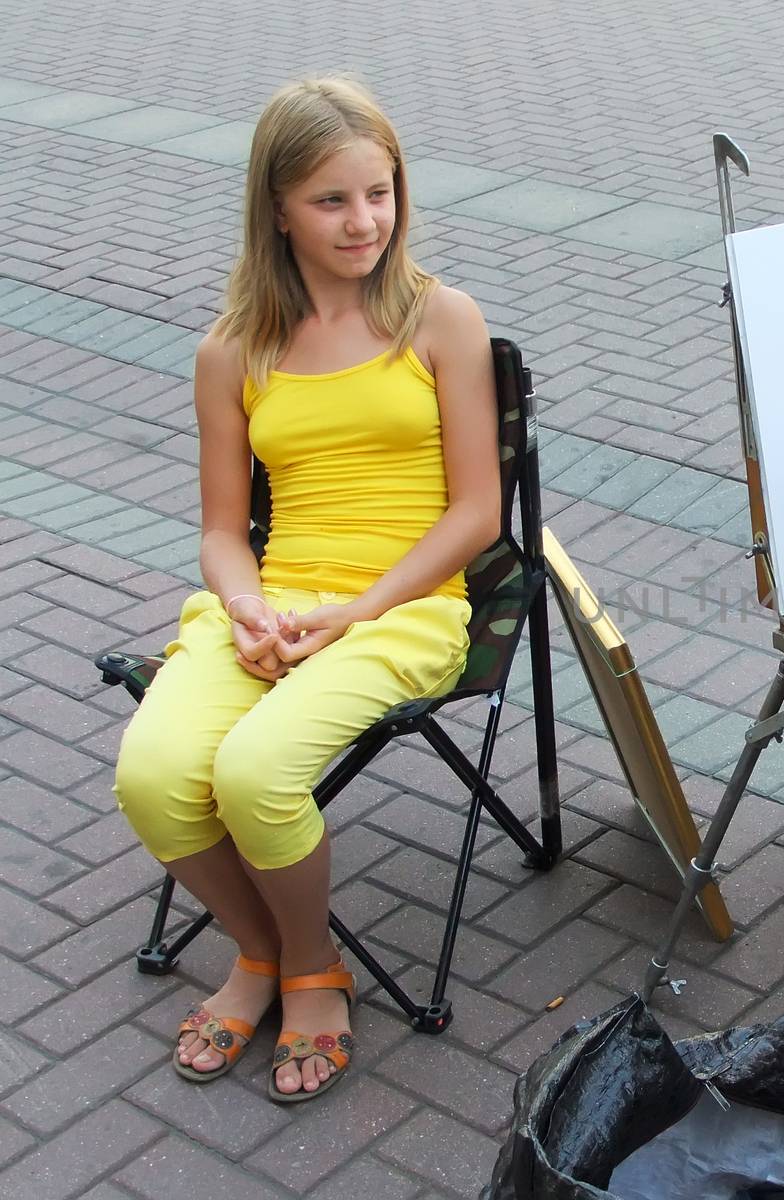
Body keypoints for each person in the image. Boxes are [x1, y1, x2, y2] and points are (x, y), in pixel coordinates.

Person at [112, 77, 501, 1103]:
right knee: (153, 773)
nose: (365, 220)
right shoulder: (232, 350)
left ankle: (310, 974)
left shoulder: (439, 320)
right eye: (332, 200)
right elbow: (220, 531)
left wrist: (353, 614)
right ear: (276, 206)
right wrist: (248, 606)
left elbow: (476, 515)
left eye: (380, 192)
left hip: (405, 609)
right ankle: (268, 953)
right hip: (277, 604)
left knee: (254, 773)